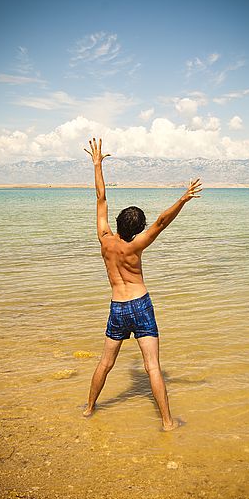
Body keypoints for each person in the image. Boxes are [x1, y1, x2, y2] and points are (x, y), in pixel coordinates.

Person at [82, 137, 202, 431]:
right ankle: (168, 422)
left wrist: (97, 165)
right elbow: (161, 222)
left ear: (119, 224)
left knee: (106, 363)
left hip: (118, 307)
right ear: (137, 229)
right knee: (153, 367)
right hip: (141, 305)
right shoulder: (136, 246)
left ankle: (88, 408)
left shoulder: (105, 240)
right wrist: (183, 199)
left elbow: (100, 198)